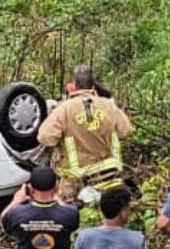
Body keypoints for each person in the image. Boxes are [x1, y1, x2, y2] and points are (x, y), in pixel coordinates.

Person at [37, 65, 135, 203]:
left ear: (72, 86)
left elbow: (44, 137)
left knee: (73, 217)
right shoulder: (109, 106)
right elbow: (126, 131)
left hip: (76, 180)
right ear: (93, 87)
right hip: (110, 176)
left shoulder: (64, 110)